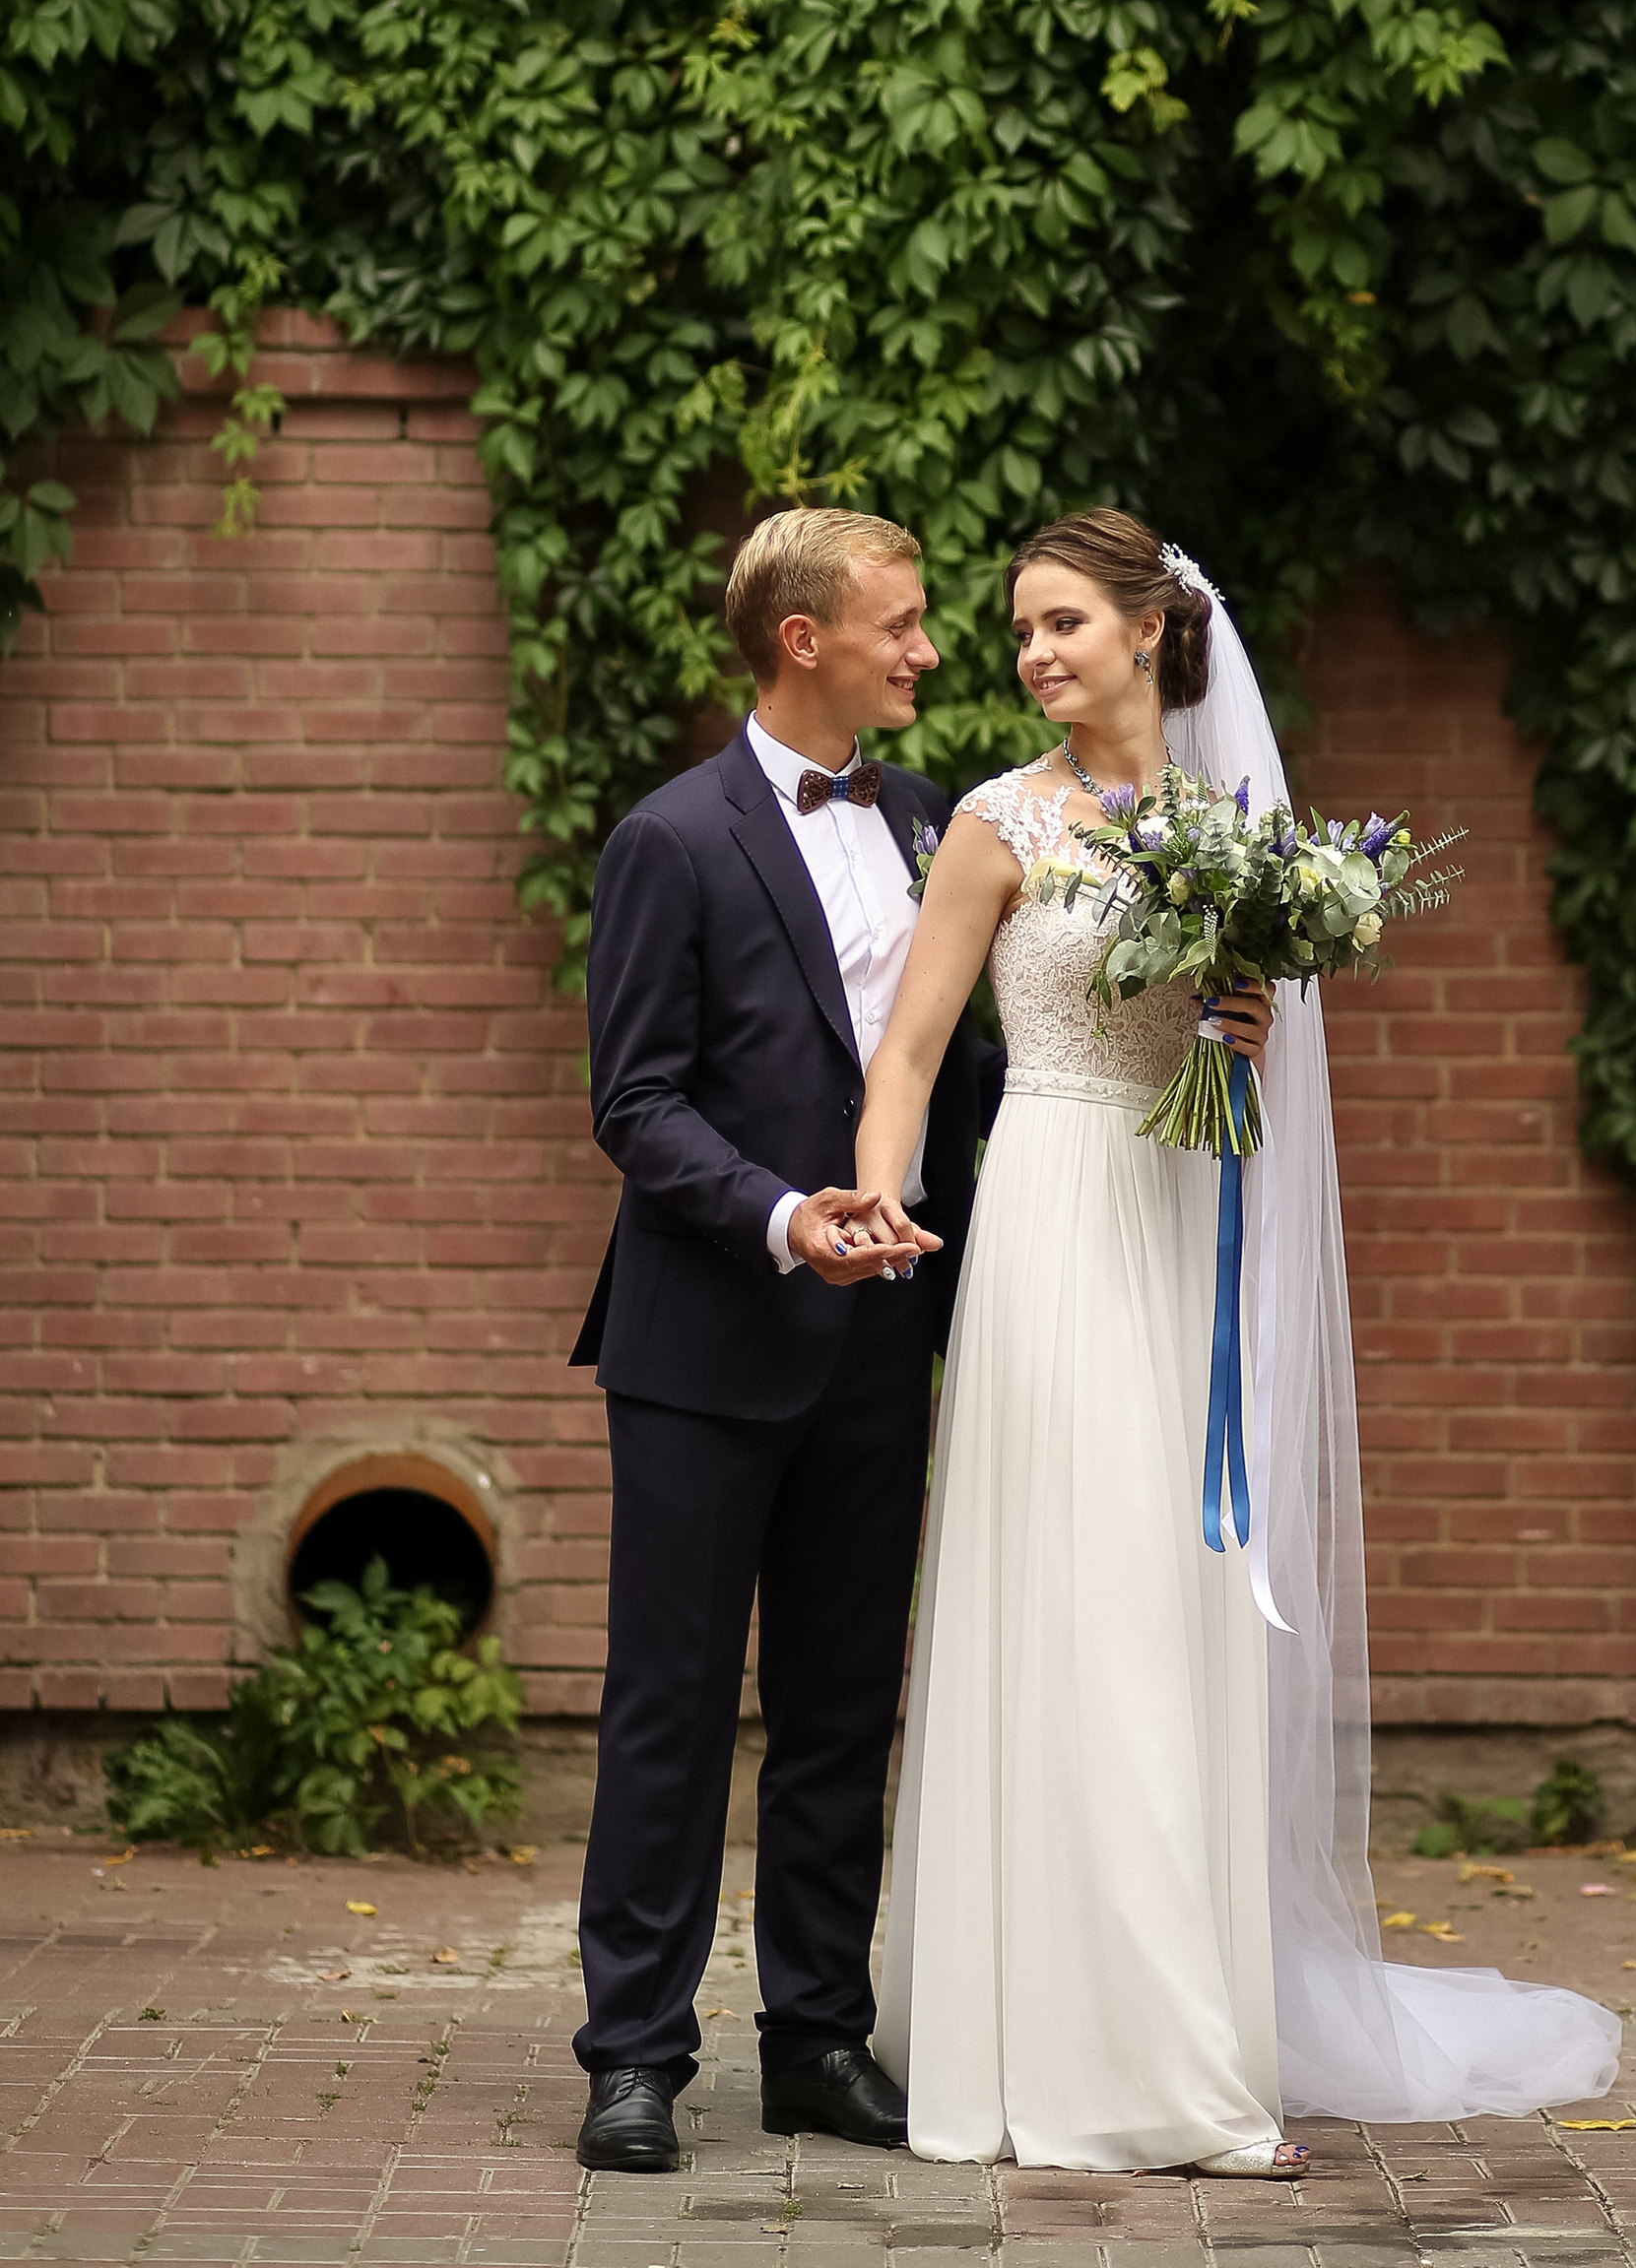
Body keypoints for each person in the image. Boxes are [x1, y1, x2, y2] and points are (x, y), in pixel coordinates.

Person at [851, 507, 1620, 2172]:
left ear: (1150, 630)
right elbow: (910, 1054)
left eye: (1063, 623)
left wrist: (1245, 1029)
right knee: (1063, 1607)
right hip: (1050, 1220)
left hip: (1182, 1225)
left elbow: (1260, 1099)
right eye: (1018, 633)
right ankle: (1045, 2043)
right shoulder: (994, 824)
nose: (1035, 655)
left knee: (1164, 1614)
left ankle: (1179, 2039)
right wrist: (880, 1204)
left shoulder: (1243, 838)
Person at [565, 508, 988, 2177]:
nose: (930, 649)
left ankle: (817, 2037)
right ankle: (633, 2057)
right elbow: (635, 1103)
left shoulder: (946, 824)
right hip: (703, 1343)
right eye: (901, 623)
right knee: (667, 1706)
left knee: (839, 1708)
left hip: (883, 1343)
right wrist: (778, 1214)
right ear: (802, 639)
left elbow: (967, 1069)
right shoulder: (669, 839)